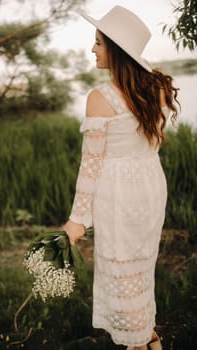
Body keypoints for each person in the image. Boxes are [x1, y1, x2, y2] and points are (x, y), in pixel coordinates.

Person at [63, 5, 179, 350]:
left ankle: (138, 342)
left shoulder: (100, 98)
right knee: (140, 267)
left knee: (121, 270)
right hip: (151, 187)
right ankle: (149, 337)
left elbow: (91, 166)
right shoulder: (156, 88)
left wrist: (76, 220)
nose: (93, 49)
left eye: (98, 42)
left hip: (120, 195)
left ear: (114, 48)